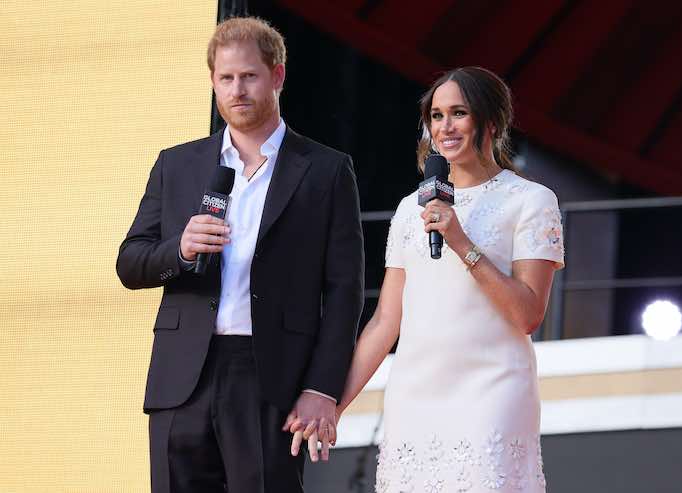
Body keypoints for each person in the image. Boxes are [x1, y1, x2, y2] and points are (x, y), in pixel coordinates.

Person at [116, 16, 364, 493]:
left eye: (249, 76)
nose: (237, 89)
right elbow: (131, 261)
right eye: (225, 78)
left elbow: (344, 292)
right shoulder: (178, 163)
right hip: (181, 376)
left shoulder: (326, 171)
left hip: (269, 374)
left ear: (277, 76)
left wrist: (322, 388)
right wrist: (182, 249)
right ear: (212, 82)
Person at [289, 66, 564, 492]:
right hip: (414, 396)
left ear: (491, 122)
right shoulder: (408, 210)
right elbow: (385, 323)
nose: (445, 127)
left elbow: (528, 314)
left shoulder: (530, 201)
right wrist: (334, 405)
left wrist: (460, 241)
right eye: (436, 116)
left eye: (459, 113)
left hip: (492, 392)